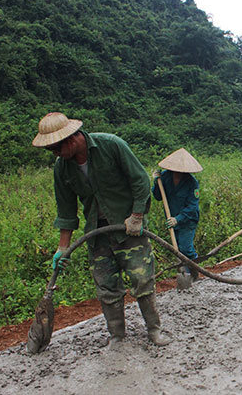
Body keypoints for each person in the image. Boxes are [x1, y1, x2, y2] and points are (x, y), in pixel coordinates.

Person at [32, 112, 171, 347]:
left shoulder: (111, 145)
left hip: (129, 229)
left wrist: (137, 216)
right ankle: (117, 336)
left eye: (56, 149)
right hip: (97, 234)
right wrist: (62, 248)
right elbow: (66, 211)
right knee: (106, 286)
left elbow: (139, 180)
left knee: (141, 279)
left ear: (71, 139)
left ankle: (154, 330)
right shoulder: (62, 168)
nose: (55, 154)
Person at [152, 148, 202, 285]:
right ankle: (185, 273)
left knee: (186, 248)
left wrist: (178, 219)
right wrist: (156, 182)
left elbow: (192, 207)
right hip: (171, 218)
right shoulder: (165, 177)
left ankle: (194, 269)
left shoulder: (192, 183)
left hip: (187, 220)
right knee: (177, 249)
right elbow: (157, 196)